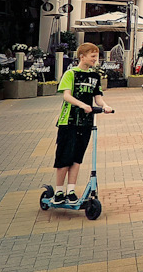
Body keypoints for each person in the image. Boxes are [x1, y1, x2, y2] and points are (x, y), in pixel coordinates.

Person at [51, 43, 113, 205]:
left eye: (96, 56)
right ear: (82, 56)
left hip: (85, 122)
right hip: (69, 121)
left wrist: (105, 106)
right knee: (65, 156)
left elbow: (98, 98)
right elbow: (66, 95)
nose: (95, 60)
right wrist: (82, 105)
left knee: (77, 157)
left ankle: (71, 191)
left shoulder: (95, 76)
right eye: (92, 56)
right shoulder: (70, 74)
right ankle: (58, 192)